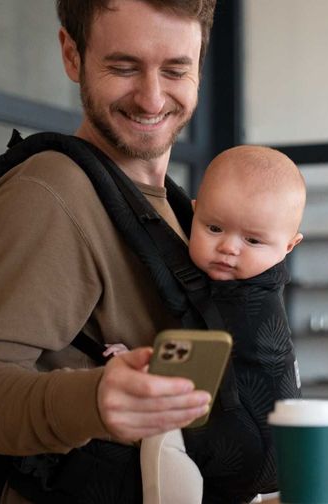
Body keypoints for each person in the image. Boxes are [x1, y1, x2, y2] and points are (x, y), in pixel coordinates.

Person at [0, 1, 217, 502]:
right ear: (72, 54)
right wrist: (93, 400)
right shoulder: (48, 192)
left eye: (176, 69)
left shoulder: (177, 212)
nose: (152, 97)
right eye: (124, 66)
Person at [105, 145, 307, 504]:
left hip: (245, 443)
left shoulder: (242, 301)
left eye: (253, 240)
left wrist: (140, 360)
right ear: (192, 214)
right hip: (282, 450)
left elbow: (196, 353)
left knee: (162, 429)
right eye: (214, 228)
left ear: (289, 247)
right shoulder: (257, 288)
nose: (229, 247)